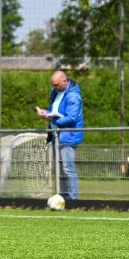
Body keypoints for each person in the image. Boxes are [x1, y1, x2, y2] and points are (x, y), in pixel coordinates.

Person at [36, 70, 84, 200]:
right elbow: (54, 111)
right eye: (53, 85)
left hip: (68, 136)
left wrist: (51, 119)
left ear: (65, 81)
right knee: (58, 169)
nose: (54, 87)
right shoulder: (55, 92)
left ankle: (73, 199)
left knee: (68, 169)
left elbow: (72, 118)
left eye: (57, 85)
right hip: (55, 136)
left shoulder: (74, 96)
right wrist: (46, 113)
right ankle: (62, 197)